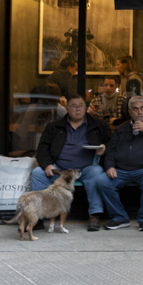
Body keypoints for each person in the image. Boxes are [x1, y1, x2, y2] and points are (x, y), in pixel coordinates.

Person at [33, 93, 111, 231]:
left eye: (81, 105)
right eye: (74, 106)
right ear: (67, 108)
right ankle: (35, 217)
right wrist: (47, 165)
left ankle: (94, 214)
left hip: (85, 169)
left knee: (97, 172)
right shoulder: (54, 127)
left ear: (85, 107)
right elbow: (42, 149)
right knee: (37, 173)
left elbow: (112, 144)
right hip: (60, 169)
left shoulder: (98, 125)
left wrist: (104, 148)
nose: (78, 109)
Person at [96, 96, 143, 232]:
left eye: (142, 108)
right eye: (135, 109)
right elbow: (111, 149)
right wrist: (109, 166)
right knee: (102, 181)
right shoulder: (121, 128)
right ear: (129, 112)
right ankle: (119, 217)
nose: (139, 112)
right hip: (122, 170)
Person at [114, 56, 143, 124]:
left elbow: (133, 97)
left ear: (125, 65)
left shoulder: (133, 78)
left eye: (118, 64)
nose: (116, 67)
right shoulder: (124, 78)